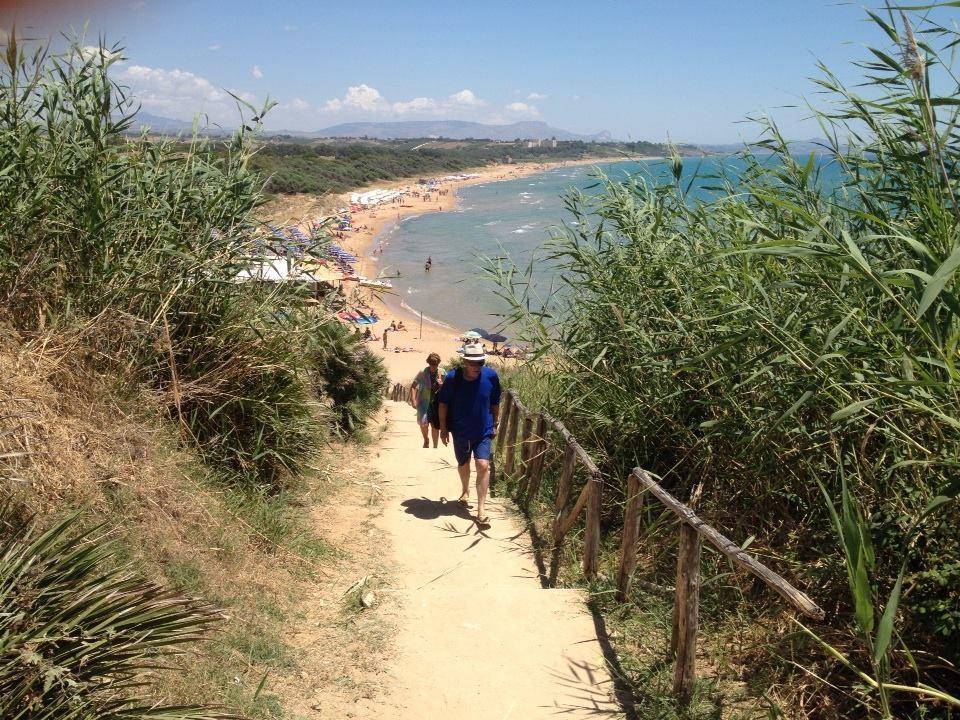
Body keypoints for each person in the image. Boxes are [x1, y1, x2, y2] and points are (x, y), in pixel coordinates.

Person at [437, 345, 501, 526]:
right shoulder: (452, 378)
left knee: (482, 464)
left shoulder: (491, 376)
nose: (477, 366)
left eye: (480, 362)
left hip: (484, 430)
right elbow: (443, 404)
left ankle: (481, 509)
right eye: (473, 362)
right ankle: (465, 489)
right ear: (465, 361)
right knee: (463, 463)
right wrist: (443, 429)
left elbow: (495, 402)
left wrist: (495, 423)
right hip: (460, 431)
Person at [410, 353, 443, 448]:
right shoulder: (423, 373)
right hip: (423, 402)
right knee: (423, 424)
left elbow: (448, 388)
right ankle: (426, 439)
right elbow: (413, 386)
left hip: (436, 403)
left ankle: (435, 446)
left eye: (435, 364)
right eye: (432, 364)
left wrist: (441, 384)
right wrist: (413, 400)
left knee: (435, 426)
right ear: (428, 363)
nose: (433, 366)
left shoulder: (442, 373)